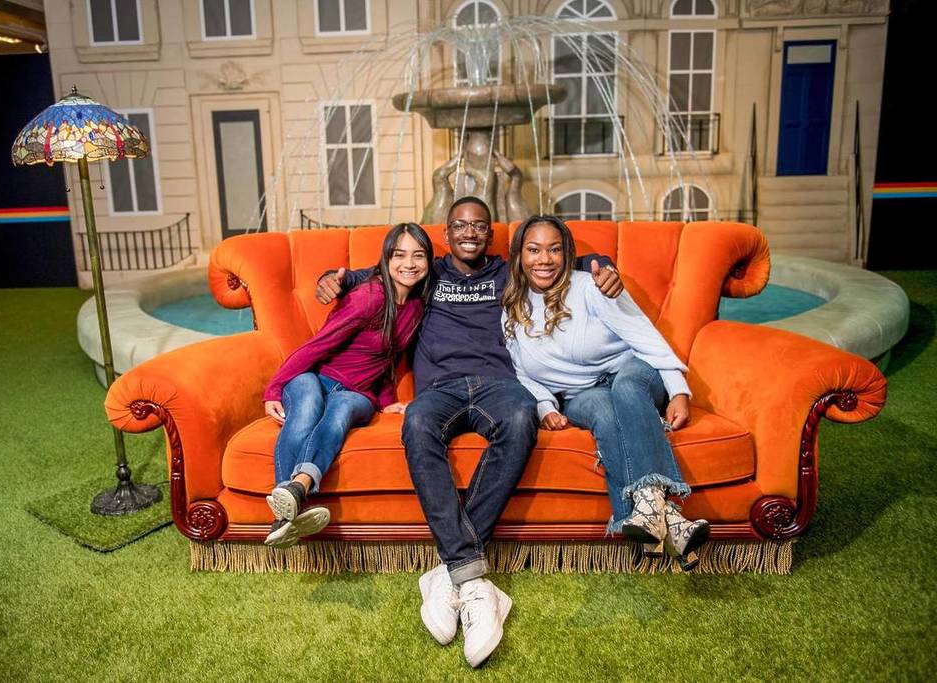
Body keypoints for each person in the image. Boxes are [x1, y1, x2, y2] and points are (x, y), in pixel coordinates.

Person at [316, 198, 622, 667]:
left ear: (490, 234)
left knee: (520, 419)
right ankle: (474, 579)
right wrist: (333, 278)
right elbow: (374, 273)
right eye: (460, 225)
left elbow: (564, 262)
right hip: (439, 388)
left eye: (479, 226)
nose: (469, 232)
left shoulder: (508, 272)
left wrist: (603, 265)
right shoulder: (429, 272)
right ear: (446, 233)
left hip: (501, 385)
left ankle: (450, 571)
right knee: (417, 423)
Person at [501, 215, 710, 571]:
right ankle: (668, 521)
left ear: (567, 254)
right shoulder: (511, 309)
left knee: (626, 389)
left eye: (554, 250)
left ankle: (648, 510)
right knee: (605, 414)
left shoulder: (591, 287)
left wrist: (678, 390)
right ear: (519, 255)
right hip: (580, 392)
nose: (544, 259)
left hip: (633, 370)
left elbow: (644, 335)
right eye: (534, 250)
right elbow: (521, 371)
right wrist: (545, 406)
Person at [262, 223, 433, 549]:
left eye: (418, 255)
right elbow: (318, 346)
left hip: (357, 394)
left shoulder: (415, 308)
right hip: (315, 377)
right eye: (399, 255)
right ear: (386, 259)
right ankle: (288, 511)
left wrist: (386, 401)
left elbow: (388, 360)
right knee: (308, 405)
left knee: (339, 412)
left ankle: (293, 498)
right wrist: (274, 388)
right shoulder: (368, 297)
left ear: (428, 260)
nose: (409, 264)